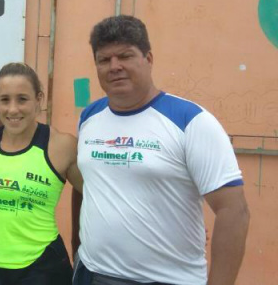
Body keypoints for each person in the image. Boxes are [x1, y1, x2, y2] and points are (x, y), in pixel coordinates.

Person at [73, 15, 250, 285]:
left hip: (167, 279)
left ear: (149, 58)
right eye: (104, 59)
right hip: (93, 274)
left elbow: (233, 212)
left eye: (125, 56)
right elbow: (88, 185)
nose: (114, 66)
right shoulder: (89, 117)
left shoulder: (191, 121)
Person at [0, 62, 83, 285]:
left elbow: (97, 196)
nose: (13, 109)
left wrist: (80, 245)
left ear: (38, 99)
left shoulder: (62, 145)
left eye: (22, 99)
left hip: (43, 268)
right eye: (4, 99)